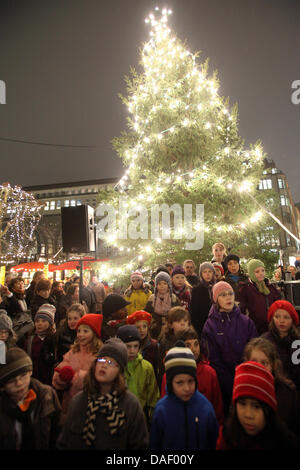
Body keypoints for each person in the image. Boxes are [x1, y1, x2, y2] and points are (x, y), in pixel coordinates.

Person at [56, 337, 149, 450]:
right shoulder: (80, 401)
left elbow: (140, 445)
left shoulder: (130, 405)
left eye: (111, 362)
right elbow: (64, 442)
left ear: (119, 371)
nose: (104, 365)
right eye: (101, 360)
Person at [200, 281, 258, 415]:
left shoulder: (246, 321)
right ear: (216, 299)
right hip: (225, 385)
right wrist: (229, 383)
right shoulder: (210, 326)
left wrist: (246, 375)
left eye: (230, 294)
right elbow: (213, 359)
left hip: (247, 378)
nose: (228, 297)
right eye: (223, 295)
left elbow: (254, 349)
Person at [150, 340, 219, 450]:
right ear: (170, 383)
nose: (186, 388)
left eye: (190, 381)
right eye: (180, 383)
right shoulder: (161, 410)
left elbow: (213, 441)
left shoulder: (205, 408)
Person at [216, 361, 298, 450]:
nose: (248, 415)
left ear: (268, 408)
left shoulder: (285, 443)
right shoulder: (227, 437)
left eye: (256, 406)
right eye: (242, 404)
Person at [160, 327, 224, 426]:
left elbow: (217, 409)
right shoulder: (169, 375)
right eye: (188, 345)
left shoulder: (209, 373)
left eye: (196, 344)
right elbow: (165, 408)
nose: (194, 349)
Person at [0, 347, 61, 449]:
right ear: (2, 386)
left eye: (23, 375)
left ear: (30, 372)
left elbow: (57, 432)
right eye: (11, 381)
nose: (19, 383)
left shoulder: (47, 395)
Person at [243, 336, 300, 439]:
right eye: (254, 362)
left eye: (264, 363)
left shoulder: (287, 393)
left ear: (273, 365)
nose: (259, 367)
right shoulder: (241, 390)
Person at [52, 314, 103, 421]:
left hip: (91, 406)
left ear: (94, 333)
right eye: (79, 331)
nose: (80, 334)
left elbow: (102, 378)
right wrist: (61, 378)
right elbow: (60, 368)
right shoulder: (73, 351)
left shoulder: (100, 355)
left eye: (85, 331)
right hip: (70, 404)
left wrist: (79, 378)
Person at [117, 325, 160, 427]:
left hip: (140, 418)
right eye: (128, 346)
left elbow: (153, 396)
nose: (132, 351)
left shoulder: (146, 367)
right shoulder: (116, 367)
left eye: (135, 346)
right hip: (119, 418)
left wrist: (152, 419)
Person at [261, 300, 300, 395]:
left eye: (286, 317)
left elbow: (297, 368)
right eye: (277, 317)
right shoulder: (265, 341)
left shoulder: (297, 341)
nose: (281, 321)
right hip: (272, 389)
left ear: (292, 320)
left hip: (293, 389)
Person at [239, 259, 281, 335]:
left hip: (272, 325)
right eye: (257, 271)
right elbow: (242, 309)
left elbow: (277, 302)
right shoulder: (246, 289)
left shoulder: (270, 287)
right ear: (251, 273)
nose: (261, 273)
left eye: (262, 270)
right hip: (256, 327)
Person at [25, 304, 57, 385]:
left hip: (48, 378)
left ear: (50, 323)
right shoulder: (30, 339)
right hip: (33, 377)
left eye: (43, 321)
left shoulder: (53, 339)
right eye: (37, 321)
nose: (39, 324)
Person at [126, 310, 160, 383]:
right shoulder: (129, 344)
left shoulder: (154, 345)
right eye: (138, 327)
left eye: (144, 326)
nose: (142, 330)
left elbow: (156, 368)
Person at [145, 271, 180, 340]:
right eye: (159, 284)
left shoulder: (174, 299)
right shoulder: (152, 299)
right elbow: (147, 315)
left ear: (168, 285)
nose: (162, 286)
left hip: (171, 333)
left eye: (164, 283)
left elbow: (179, 315)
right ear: (156, 286)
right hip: (154, 333)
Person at [190, 262, 216, 337]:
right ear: (201, 274)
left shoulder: (217, 287)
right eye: (205, 272)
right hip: (202, 325)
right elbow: (194, 312)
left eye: (210, 271)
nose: (207, 274)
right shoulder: (196, 290)